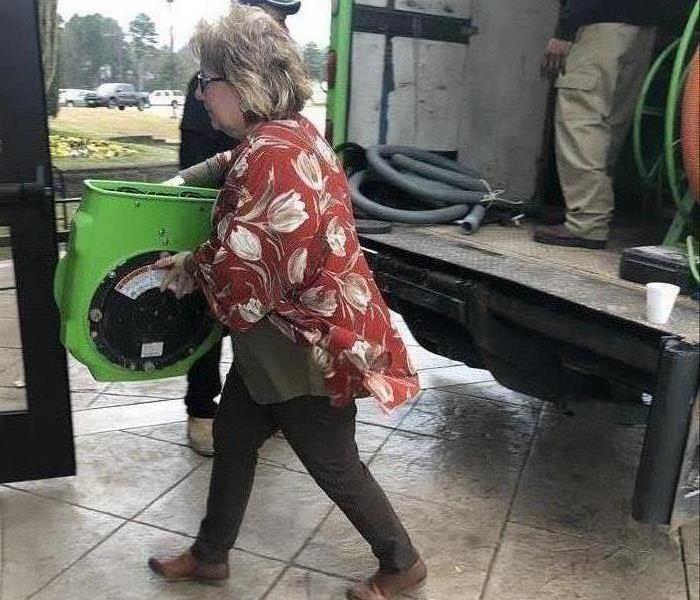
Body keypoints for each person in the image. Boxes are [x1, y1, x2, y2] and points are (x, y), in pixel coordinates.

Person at [150, 6, 427, 599]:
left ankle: (401, 563)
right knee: (234, 434)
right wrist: (178, 183)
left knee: (332, 462)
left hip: (308, 344)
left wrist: (190, 267)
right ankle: (211, 553)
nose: (201, 97)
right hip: (286, 338)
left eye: (207, 82)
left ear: (242, 82)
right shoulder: (290, 132)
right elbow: (229, 165)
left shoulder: (270, 154)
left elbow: (246, 275)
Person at [173, 0, 302, 456]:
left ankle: (267, 405)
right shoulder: (211, 86)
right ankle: (202, 410)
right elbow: (219, 161)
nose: (278, 28)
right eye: (269, 16)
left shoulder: (280, 93)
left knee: (261, 321)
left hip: (262, 233)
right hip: (222, 221)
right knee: (208, 313)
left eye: (282, 21)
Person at [534, 0, 659, 248]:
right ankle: (592, 211)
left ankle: (587, 221)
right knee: (612, 121)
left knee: (582, 119)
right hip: (644, 28)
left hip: (599, 22)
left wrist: (565, 29)